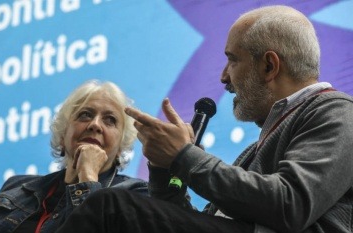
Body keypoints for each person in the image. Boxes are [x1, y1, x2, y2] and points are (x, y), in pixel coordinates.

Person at [55, 5, 353, 233]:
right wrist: (162, 169)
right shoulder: (254, 151)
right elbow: (195, 222)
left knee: (110, 206)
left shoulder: (336, 111)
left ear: (269, 66)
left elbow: (291, 205)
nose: (224, 76)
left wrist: (185, 155)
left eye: (232, 60)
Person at [0, 80, 148, 233]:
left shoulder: (134, 194)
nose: (95, 124)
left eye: (110, 120)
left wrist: (88, 176)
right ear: (63, 135)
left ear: (121, 147)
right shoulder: (16, 187)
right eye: (85, 115)